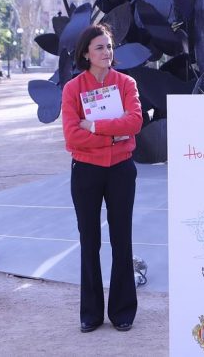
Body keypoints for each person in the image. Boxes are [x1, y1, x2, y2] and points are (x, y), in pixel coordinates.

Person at [61, 24, 143, 333]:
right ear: (85, 53)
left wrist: (95, 128)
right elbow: (71, 135)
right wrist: (113, 135)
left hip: (121, 169)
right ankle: (91, 313)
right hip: (86, 171)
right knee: (89, 241)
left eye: (109, 46)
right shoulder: (72, 89)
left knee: (122, 239)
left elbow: (134, 122)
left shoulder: (126, 83)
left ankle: (123, 311)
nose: (107, 52)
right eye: (100, 47)